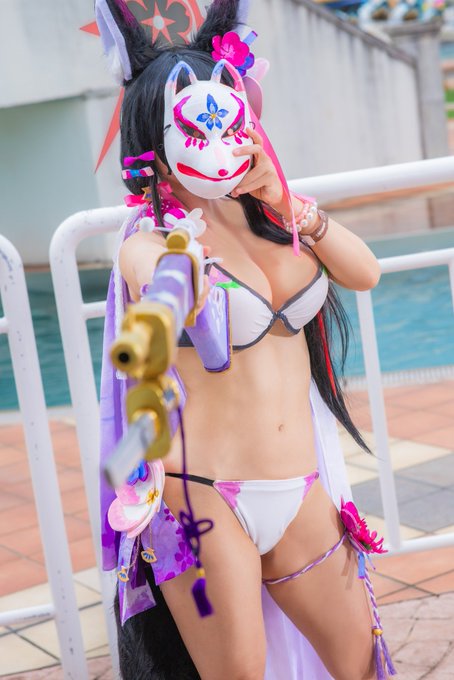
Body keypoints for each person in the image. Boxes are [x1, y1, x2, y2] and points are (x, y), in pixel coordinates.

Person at [97, 1, 396, 678]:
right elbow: (154, 278)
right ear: (155, 141)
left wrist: (287, 204)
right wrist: (181, 279)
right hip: (201, 503)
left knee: (362, 664)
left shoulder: (274, 217)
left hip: (302, 491)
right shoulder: (149, 241)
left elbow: (365, 272)